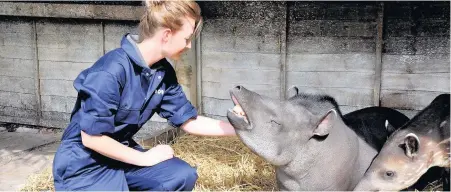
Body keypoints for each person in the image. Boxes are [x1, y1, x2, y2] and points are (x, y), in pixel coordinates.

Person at [52, 0, 240, 190]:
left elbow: (189, 120)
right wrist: (144, 158)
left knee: (180, 176)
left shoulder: (162, 72)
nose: (189, 46)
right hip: (84, 163)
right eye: (187, 39)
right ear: (167, 35)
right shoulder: (110, 71)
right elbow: (91, 138)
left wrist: (241, 128)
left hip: (121, 153)